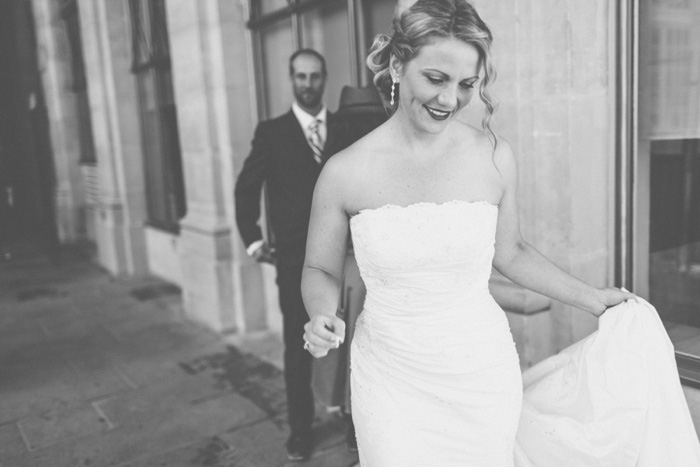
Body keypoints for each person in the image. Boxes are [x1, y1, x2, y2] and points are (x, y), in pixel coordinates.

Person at [299, 1, 637, 465]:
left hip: (481, 374)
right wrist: (321, 313)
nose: (449, 100)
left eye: (466, 85)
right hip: (390, 378)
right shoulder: (344, 172)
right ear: (398, 65)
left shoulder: (494, 157)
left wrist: (593, 298)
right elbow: (319, 266)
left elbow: (512, 252)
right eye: (436, 79)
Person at [235, 48, 339, 461]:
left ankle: (353, 421)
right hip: (294, 262)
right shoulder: (272, 132)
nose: (308, 84)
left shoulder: (345, 127)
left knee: (350, 343)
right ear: (291, 79)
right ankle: (300, 431)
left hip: (346, 260)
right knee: (299, 349)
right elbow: (246, 188)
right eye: (301, 76)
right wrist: (254, 240)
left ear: (325, 78)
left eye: (315, 76)